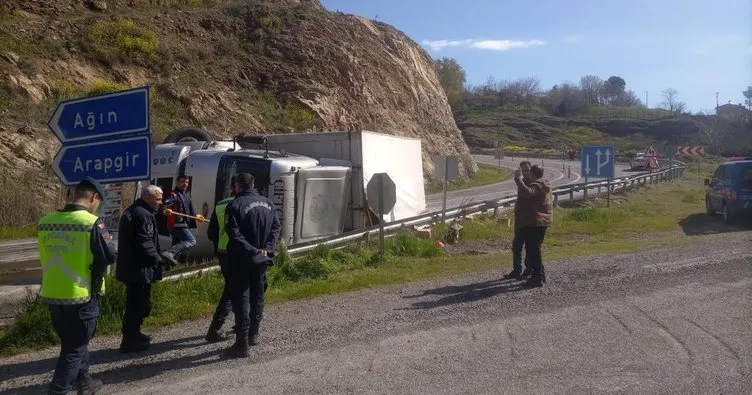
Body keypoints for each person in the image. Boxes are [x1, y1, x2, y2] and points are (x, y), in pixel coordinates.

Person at [37, 177, 116, 395]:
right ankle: (59, 390)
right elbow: (110, 255)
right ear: (94, 197)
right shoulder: (92, 223)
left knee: (73, 342)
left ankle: (85, 381)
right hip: (82, 295)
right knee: (74, 348)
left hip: (53, 294)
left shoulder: (46, 220)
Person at [224, 172, 281, 357]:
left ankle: (242, 343)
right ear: (253, 183)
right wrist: (267, 249)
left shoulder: (234, 205)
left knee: (241, 298)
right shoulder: (269, 203)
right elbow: (275, 228)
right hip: (262, 259)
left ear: (238, 185)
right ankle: (253, 334)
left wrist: (251, 250)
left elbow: (234, 234)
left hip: (241, 259)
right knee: (258, 296)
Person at [115, 184, 165, 353]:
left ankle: (135, 333)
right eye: (158, 199)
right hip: (138, 269)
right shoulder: (142, 215)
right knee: (137, 305)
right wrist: (159, 259)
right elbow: (145, 242)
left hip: (134, 268)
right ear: (148, 198)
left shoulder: (137, 211)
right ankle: (129, 341)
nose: (160, 202)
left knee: (141, 303)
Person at [204, 175, 237, 343]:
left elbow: (211, 233)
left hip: (223, 252)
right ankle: (214, 330)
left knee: (234, 289)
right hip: (239, 252)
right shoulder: (241, 203)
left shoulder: (220, 204)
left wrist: (219, 247)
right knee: (232, 292)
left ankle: (240, 324)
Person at [512, 165, 553, 288]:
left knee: (533, 250)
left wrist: (518, 179)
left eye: (529, 172)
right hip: (541, 220)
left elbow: (528, 193)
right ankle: (540, 274)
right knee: (535, 249)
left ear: (533, 173)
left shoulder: (537, 184)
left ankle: (537, 277)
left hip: (535, 221)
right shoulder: (544, 183)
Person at [161, 175, 203, 266]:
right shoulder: (173, 194)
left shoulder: (187, 195)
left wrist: (197, 216)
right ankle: (170, 253)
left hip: (183, 224)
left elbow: (190, 210)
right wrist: (166, 209)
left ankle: (168, 263)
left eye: (187, 182)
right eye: (183, 181)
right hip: (177, 224)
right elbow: (166, 204)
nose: (185, 184)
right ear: (177, 183)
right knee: (191, 241)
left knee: (177, 246)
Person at [504, 161, 533, 280]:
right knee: (516, 246)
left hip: (530, 220)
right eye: (523, 171)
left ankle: (528, 269)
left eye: (527, 170)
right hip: (520, 219)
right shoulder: (522, 181)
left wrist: (518, 179)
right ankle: (517, 270)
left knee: (529, 247)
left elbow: (527, 194)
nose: (525, 173)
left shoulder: (532, 183)